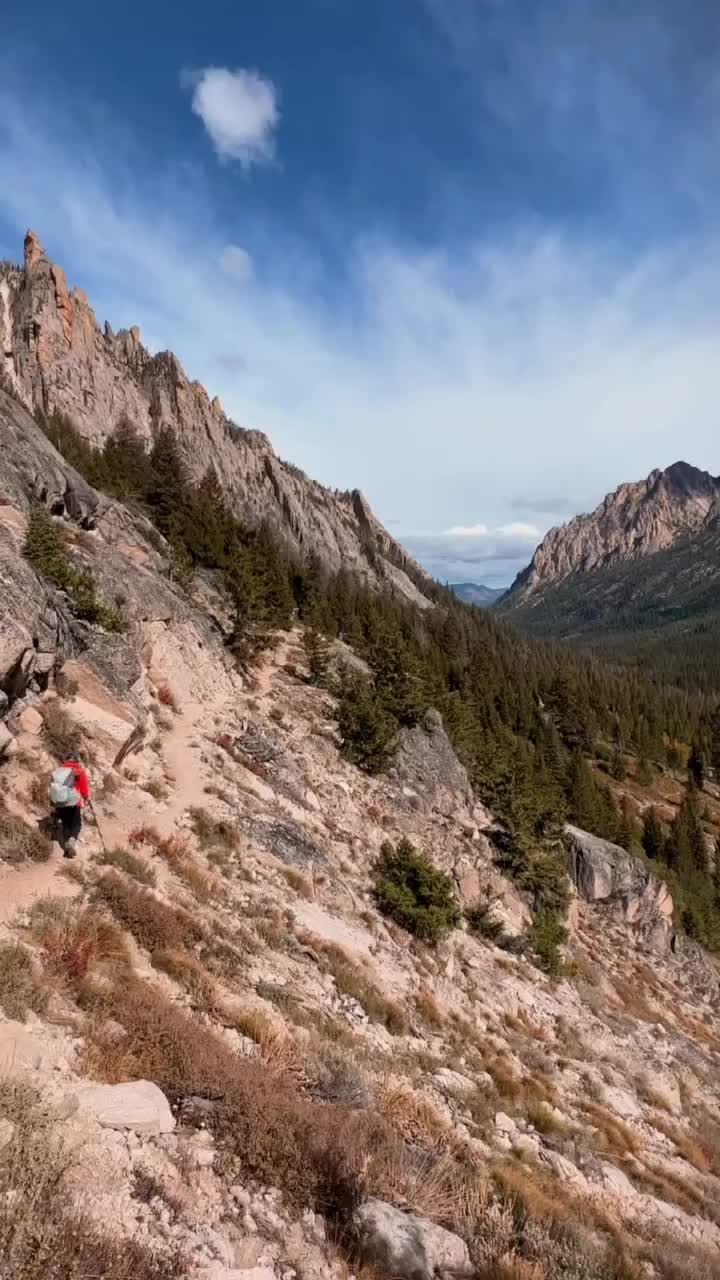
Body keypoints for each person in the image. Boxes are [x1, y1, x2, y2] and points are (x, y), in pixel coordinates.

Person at [50, 752, 90, 857]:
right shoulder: (79, 771)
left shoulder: (59, 771)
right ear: (77, 760)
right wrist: (86, 796)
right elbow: (84, 788)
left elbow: (54, 787)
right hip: (74, 802)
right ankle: (71, 841)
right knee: (76, 823)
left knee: (66, 823)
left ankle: (67, 841)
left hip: (61, 801)